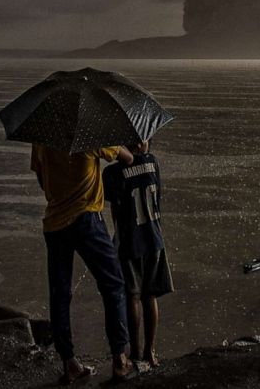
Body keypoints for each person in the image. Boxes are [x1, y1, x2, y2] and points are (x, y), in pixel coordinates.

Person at [31, 143, 137, 384]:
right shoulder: (88, 134)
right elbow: (127, 158)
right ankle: (120, 359)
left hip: (54, 223)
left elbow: (41, 179)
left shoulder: (42, 137)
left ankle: (69, 363)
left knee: (60, 293)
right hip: (86, 218)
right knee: (113, 285)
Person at [102, 140, 174, 368]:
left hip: (130, 241)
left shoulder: (113, 172)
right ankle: (150, 352)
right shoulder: (153, 163)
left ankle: (134, 352)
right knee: (149, 296)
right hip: (154, 238)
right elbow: (157, 199)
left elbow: (115, 210)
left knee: (131, 296)